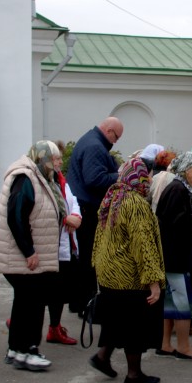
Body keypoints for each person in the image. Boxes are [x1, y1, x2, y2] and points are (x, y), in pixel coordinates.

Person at [0, 141, 64, 372]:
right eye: (55, 158)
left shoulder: (37, 176)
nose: (58, 163)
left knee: (25, 301)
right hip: (24, 255)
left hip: (25, 255)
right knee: (33, 301)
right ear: (43, 158)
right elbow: (16, 216)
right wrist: (29, 251)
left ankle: (16, 349)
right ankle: (28, 350)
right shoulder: (26, 178)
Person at [88, 158, 166, 383]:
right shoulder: (135, 204)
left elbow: (99, 237)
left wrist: (96, 267)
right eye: (147, 176)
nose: (150, 180)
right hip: (129, 276)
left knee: (116, 320)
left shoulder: (112, 197)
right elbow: (143, 246)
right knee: (134, 325)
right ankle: (134, 375)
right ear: (138, 177)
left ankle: (102, 357)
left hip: (109, 274)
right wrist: (153, 281)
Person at [154, 152, 192, 362]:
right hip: (174, 255)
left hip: (171, 254)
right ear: (188, 168)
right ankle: (184, 347)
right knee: (181, 303)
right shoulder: (178, 189)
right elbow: (175, 222)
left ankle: (165, 344)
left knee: (171, 301)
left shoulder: (178, 188)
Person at [65, 117, 123, 314]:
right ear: (108, 130)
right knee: (89, 258)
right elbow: (94, 179)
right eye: (116, 137)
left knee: (84, 258)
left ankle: (78, 302)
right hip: (88, 209)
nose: (115, 142)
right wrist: (120, 175)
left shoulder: (90, 140)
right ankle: (85, 304)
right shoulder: (95, 146)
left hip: (83, 207)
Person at [47, 141, 81, 345]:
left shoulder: (60, 179)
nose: (61, 161)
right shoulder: (42, 181)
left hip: (66, 242)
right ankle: (18, 321)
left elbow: (72, 199)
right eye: (58, 158)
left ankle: (55, 327)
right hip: (52, 245)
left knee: (58, 291)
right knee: (48, 290)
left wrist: (76, 215)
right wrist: (65, 219)